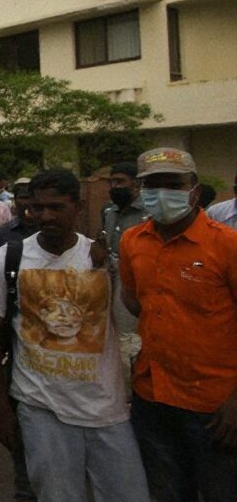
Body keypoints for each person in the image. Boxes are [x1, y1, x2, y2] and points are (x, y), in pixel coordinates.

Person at [0, 170, 150, 502]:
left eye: (56, 207)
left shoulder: (101, 260)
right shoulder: (6, 260)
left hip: (106, 410)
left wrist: (113, 269)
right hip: (42, 410)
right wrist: (1, 408)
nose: (45, 217)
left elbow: (130, 322)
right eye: (37, 208)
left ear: (78, 207)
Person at [120, 148, 237, 502]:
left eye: (174, 184)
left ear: (194, 189)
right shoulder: (132, 242)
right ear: (140, 189)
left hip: (215, 406)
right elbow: (133, 300)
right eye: (152, 185)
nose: (162, 193)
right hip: (152, 397)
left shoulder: (227, 244)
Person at [101, 161, 147, 388]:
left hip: (138, 279)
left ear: (136, 184)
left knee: (133, 337)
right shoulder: (109, 211)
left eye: (120, 182)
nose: (114, 186)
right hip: (112, 276)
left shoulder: (147, 212)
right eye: (112, 182)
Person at [0, 178, 37, 250]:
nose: (28, 203)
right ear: (15, 200)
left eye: (32, 197)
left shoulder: (49, 231)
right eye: (24, 198)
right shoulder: (0, 234)